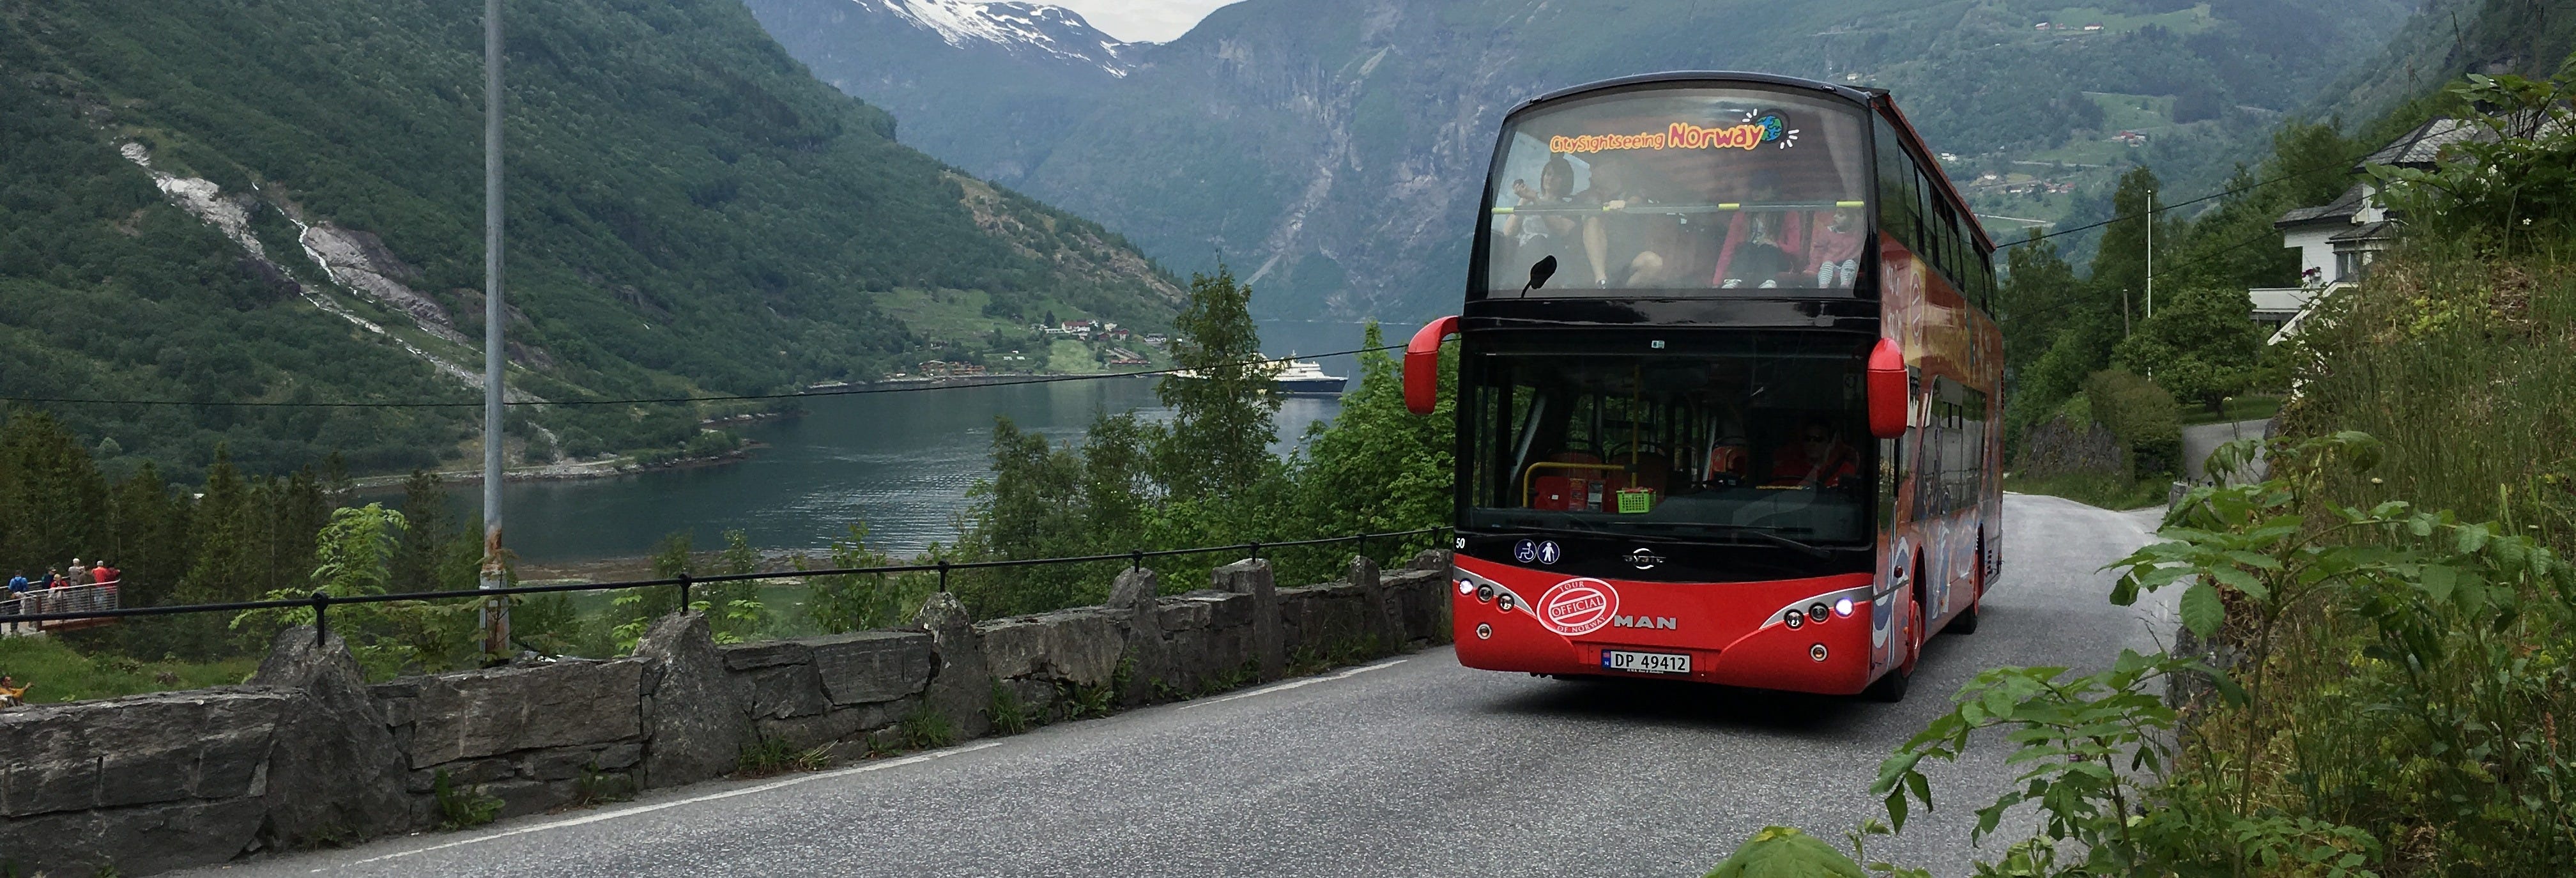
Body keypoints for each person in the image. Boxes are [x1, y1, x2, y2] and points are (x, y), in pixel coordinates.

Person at [1577, 155, 1678, 288]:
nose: (1592, 169)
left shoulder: (1633, 191)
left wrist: (1623, 205)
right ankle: (1601, 282)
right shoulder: (1586, 196)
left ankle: (1622, 294)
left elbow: (1636, 201)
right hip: (1593, 263)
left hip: (1628, 262)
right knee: (1592, 222)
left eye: (1598, 165)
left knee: (1654, 262)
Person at [1770, 419, 1860, 488]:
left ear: (1831, 443)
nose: (1812, 444)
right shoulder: (1787, 469)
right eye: (1808, 439)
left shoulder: (1844, 469)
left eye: (1818, 439)